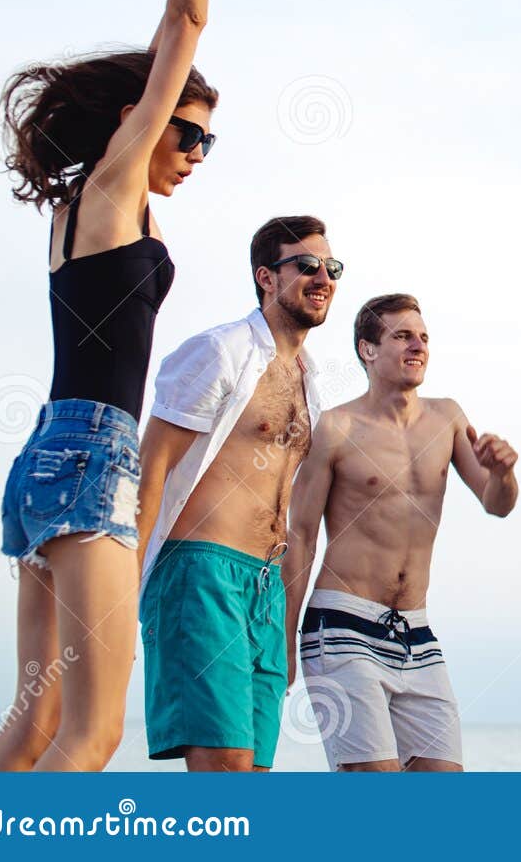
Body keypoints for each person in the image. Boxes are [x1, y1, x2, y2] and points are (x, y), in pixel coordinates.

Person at [0, 0, 245, 773]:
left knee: (34, 722)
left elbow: (177, 41)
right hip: (93, 454)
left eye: (209, 144)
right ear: (141, 117)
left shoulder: (77, 208)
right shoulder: (113, 184)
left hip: (47, 453)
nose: (195, 150)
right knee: (91, 732)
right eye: (187, 129)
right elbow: (180, 29)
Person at [284, 293, 520, 772]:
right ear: (367, 349)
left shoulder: (447, 417)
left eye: (424, 337)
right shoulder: (336, 427)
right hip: (342, 626)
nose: (419, 346)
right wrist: (284, 640)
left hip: (416, 633)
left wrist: (503, 473)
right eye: (403, 336)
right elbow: (302, 534)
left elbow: (498, 505)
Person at [136, 217, 339, 771]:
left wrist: (288, 623)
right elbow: (150, 469)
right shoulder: (219, 351)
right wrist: (116, 594)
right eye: (306, 265)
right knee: (222, 767)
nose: (323, 277)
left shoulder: (309, 382)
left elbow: (293, 514)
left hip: (265, 588)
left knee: (253, 774)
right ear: (266, 277)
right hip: (200, 572)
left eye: (331, 268)